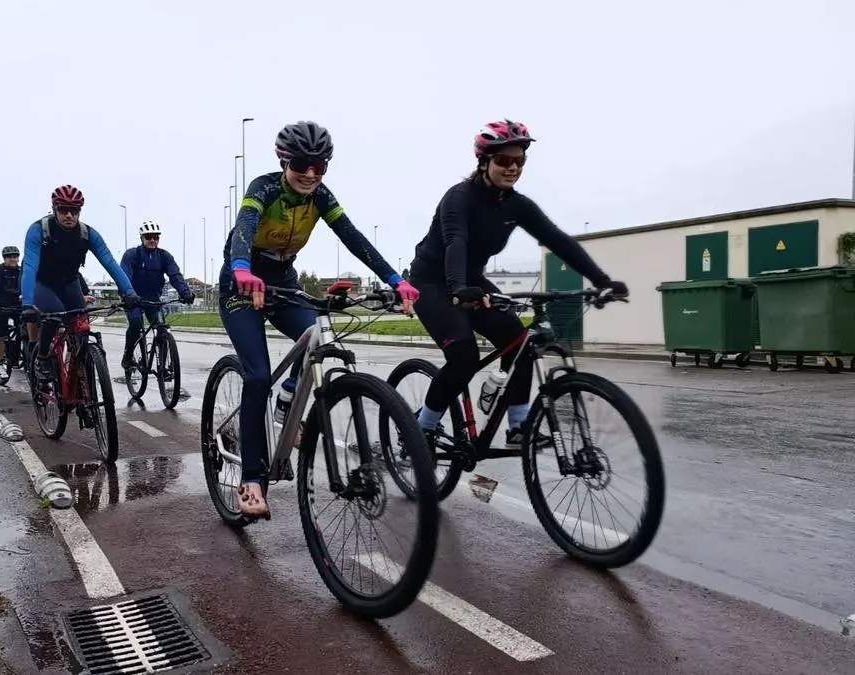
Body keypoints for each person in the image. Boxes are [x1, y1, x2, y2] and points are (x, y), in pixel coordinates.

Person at [220, 121, 420, 518]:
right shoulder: (264, 187)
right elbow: (244, 229)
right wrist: (242, 268)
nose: (311, 174)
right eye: (302, 164)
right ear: (284, 161)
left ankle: (288, 398)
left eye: (320, 166)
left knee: (319, 337)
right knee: (257, 375)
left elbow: (353, 236)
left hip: (283, 282)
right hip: (241, 285)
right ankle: (253, 481)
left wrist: (395, 279)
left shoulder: (320, 196)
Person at [408, 119, 628, 448]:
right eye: (504, 161)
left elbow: (558, 240)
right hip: (433, 282)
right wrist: (457, 288)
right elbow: (457, 240)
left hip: (471, 282)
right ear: (484, 162)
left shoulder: (518, 205)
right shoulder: (459, 197)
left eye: (520, 161)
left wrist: (602, 280)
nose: (513, 168)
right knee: (464, 356)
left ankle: (518, 427)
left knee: (521, 342)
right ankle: (422, 427)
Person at [21, 184, 140, 369]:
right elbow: (29, 266)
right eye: (63, 209)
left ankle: (77, 370)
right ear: (54, 210)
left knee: (82, 327)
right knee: (53, 315)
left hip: (69, 282)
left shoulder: (87, 233)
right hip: (42, 283)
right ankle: (42, 360)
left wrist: (129, 292)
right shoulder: (39, 230)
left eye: (75, 210)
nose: (69, 215)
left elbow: (110, 262)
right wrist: (27, 302)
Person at [120, 220, 194, 370]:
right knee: (135, 324)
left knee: (162, 329)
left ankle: (163, 367)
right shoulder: (132, 255)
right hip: (134, 299)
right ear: (142, 238)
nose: (152, 240)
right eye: (148, 237)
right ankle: (128, 357)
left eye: (155, 237)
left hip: (153, 300)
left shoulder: (164, 256)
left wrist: (185, 292)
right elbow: (123, 276)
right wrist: (127, 295)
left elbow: (175, 275)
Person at [0, 245, 23, 364]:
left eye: (15, 256)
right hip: (1, 306)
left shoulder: (22, 271)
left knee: (24, 330)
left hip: (18, 306)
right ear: (4, 258)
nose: (12, 259)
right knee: (0, 335)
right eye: (9, 257)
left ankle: (24, 357)